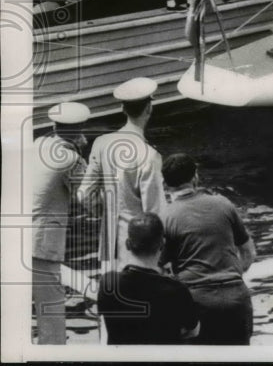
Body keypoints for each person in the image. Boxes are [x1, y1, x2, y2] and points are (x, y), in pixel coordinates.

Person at [159, 154, 256, 345]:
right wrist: (233, 276)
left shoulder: (165, 217)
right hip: (236, 300)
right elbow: (249, 253)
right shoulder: (224, 204)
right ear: (195, 177)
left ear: (165, 184)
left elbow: (159, 269)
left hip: (196, 304)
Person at [78, 78, 166, 267]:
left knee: (111, 290)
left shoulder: (102, 143)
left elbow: (84, 194)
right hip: (140, 247)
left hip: (108, 241)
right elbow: (154, 212)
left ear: (123, 109)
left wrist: (106, 213)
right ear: (149, 109)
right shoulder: (150, 155)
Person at [32, 102, 89, 345]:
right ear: (80, 130)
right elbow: (88, 198)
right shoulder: (70, 159)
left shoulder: (38, 144)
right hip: (41, 242)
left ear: (54, 126)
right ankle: (54, 354)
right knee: (51, 305)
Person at [97, 213, 200, 344]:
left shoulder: (108, 283)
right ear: (162, 245)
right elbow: (193, 331)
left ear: (128, 244)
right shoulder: (177, 290)